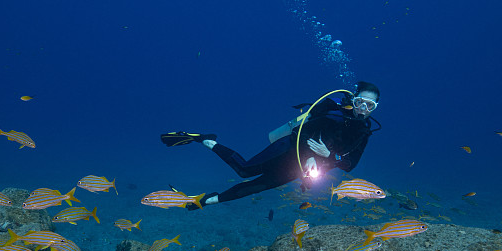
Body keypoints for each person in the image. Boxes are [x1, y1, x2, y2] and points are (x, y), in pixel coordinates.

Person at [160, 81, 381, 209]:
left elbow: (351, 164)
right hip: (288, 149)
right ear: (353, 99)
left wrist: (328, 157)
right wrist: (311, 156)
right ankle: (205, 139)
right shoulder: (332, 112)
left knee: (256, 187)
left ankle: (206, 202)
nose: (363, 108)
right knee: (245, 170)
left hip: (300, 169)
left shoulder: (365, 131)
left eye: (369, 105)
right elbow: (301, 131)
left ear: (374, 107)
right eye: (360, 101)